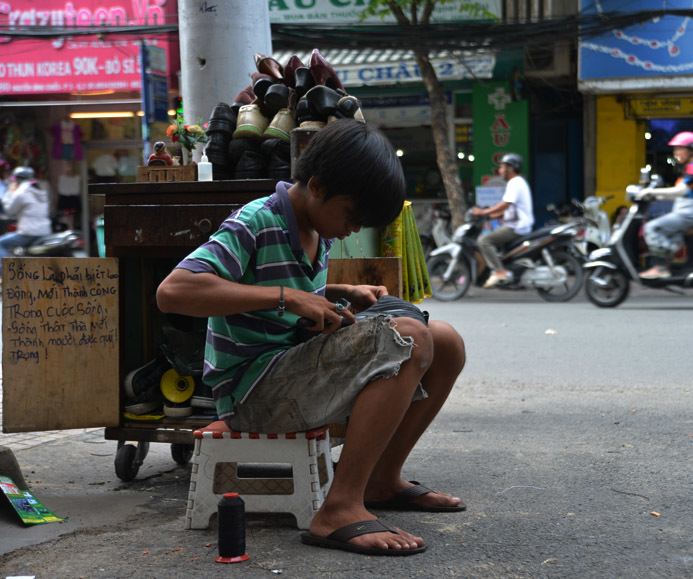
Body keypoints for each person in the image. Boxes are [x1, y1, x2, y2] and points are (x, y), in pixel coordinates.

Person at [156, 119, 466, 556]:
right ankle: (338, 508)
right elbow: (173, 292)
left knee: (445, 339)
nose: (353, 231)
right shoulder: (256, 221)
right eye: (352, 217)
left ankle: (380, 479)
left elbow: (285, 288)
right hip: (253, 394)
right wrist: (291, 299)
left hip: (290, 376)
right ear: (317, 186)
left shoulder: (316, 230)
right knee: (409, 336)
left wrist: (339, 293)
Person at [638, 131, 693, 279]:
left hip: (692, 212)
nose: (676, 152)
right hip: (691, 210)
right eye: (675, 149)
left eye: (679, 148)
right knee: (673, 237)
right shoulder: (692, 168)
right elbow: (683, 194)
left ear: (692, 150)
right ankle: (674, 267)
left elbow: (680, 191)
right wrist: (656, 197)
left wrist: (650, 192)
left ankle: (660, 268)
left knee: (651, 228)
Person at [471, 152, 534, 288]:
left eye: (502, 167)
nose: (499, 171)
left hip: (517, 227)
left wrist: (484, 211)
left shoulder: (515, 182)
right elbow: (508, 210)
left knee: (484, 240)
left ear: (510, 168)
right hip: (517, 224)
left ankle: (499, 271)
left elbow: (505, 204)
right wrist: (490, 216)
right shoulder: (518, 182)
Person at [0, 166, 52, 258]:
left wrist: (10, 191)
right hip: (45, 231)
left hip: (29, 233)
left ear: (17, 180)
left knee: (1, 243)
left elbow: (9, 210)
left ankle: (4, 270)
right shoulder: (40, 190)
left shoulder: (21, 192)